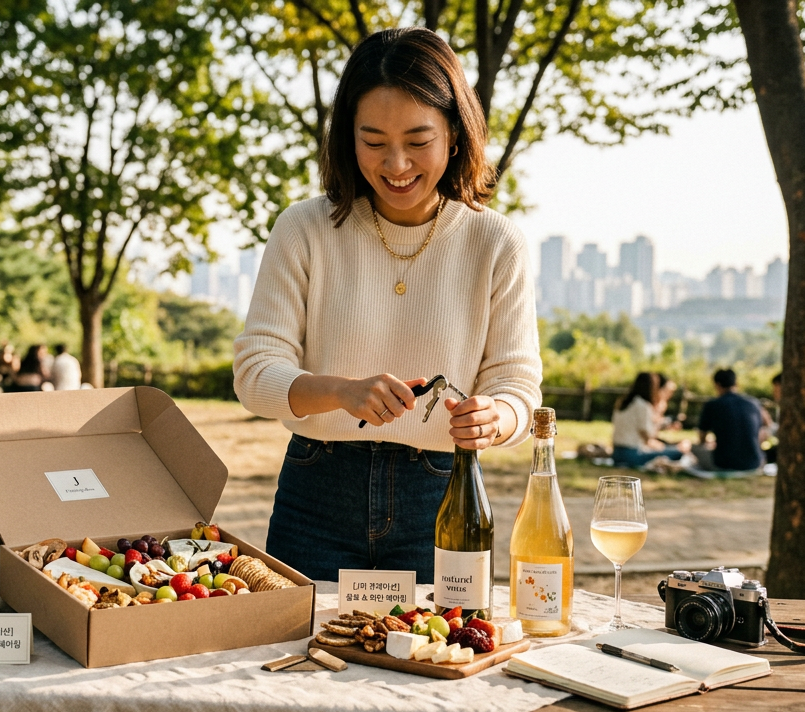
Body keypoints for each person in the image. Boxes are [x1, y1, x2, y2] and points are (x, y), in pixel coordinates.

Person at [232, 28, 541, 582]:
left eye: (418, 140)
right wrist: (341, 391)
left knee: (438, 655)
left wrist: (496, 418)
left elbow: (518, 386)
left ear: (455, 133)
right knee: (299, 659)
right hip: (316, 493)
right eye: (373, 141)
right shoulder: (304, 229)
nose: (396, 164)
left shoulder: (495, 242)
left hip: (444, 498)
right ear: (347, 139)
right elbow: (255, 374)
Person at [692, 368, 767, 472]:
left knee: (693, 448)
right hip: (754, 463)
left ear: (717, 385)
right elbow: (760, 435)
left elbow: (702, 438)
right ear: (736, 383)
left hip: (724, 464)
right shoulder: (753, 403)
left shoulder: (712, 405)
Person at [611, 372, 684, 468]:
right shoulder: (642, 405)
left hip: (616, 453)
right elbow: (647, 436)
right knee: (678, 452)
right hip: (632, 454)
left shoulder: (622, 402)